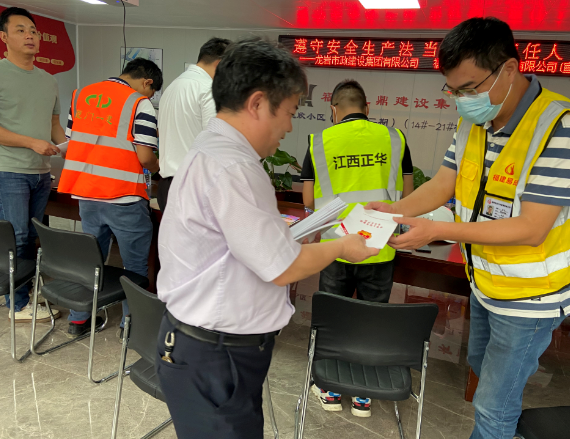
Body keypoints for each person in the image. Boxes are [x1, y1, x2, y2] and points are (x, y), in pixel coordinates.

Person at [365, 17, 570, 439]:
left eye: (469, 88)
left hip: (532, 295)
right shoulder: (475, 121)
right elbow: (444, 183)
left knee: (494, 406)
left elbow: (532, 228)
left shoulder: (562, 127)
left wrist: (436, 232)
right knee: (481, 375)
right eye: (453, 91)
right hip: (486, 283)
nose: (461, 100)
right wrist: (395, 210)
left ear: (509, 69)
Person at [155, 38, 378, 439]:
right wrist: (343, 246)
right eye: (290, 112)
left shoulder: (210, 148)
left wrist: (283, 235)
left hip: (207, 347)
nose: (290, 126)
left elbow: (234, 241)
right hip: (216, 354)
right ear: (258, 104)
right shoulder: (235, 166)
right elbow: (283, 268)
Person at [300, 79, 412, 417]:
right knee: (371, 318)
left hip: (336, 246)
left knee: (332, 317)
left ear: (333, 110)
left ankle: (329, 388)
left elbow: (309, 199)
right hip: (381, 246)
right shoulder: (395, 138)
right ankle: (364, 394)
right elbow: (407, 194)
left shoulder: (320, 141)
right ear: (367, 108)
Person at [58, 58, 162, 338]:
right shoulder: (139, 103)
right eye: (152, 91)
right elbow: (145, 156)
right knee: (135, 266)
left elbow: (72, 140)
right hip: (124, 196)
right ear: (147, 82)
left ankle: (79, 320)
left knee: (92, 260)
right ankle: (131, 326)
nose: (150, 96)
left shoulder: (80, 96)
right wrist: (158, 167)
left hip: (87, 194)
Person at [0, 7, 65, 323]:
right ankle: (17, 303)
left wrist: (68, 146)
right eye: (21, 30)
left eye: (33, 31)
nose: (30, 36)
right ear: (4, 37)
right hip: (8, 170)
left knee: (31, 237)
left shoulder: (49, 80)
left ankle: (20, 291)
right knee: (18, 237)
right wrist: (31, 142)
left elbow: (53, 125)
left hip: (41, 172)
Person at [157, 37, 231, 212]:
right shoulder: (208, 89)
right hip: (191, 188)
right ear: (220, 64)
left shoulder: (173, 86)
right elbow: (216, 143)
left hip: (167, 187)